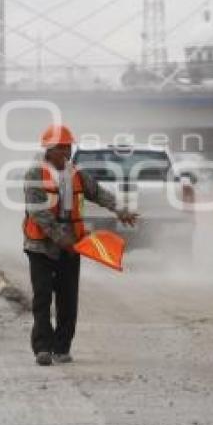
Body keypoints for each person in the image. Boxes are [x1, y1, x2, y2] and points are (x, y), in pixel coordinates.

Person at [23, 124, 138, 366]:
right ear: (49, 149)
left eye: (69, 146)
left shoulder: (75, 173)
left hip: (72, 246)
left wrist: (120, 210)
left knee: (68, 299)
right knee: (42, 298)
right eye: (62, 147)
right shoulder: (35, 174)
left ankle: (62, 347)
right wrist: (59, 237)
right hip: (41, 247)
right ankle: (42, 348)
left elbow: (98, 193)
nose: (67, 151)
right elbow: (39, 213)